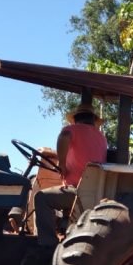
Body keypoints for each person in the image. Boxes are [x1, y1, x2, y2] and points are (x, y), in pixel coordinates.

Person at [33, 102, 108, 249]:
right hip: (94, 191)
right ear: (93, 120)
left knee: (41, 197)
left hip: (77, 191)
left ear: (75, 119)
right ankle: (60, 230)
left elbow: (64, 136)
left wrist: (61, 163)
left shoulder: (71, 130)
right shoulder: (101, 138)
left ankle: (47, 246)